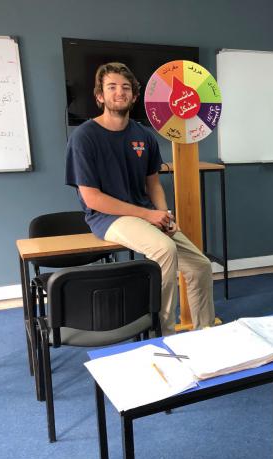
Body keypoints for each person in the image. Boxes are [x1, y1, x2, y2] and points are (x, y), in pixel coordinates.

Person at [65, 62, 215, 335]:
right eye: (111, 87)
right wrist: (148, 215)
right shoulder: (84, 137)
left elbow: (153, 183)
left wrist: (165, 215)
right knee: (164, 250)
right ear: (100, 96)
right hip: (108, 218)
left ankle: (205, 332)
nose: (119, 92)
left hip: (146, 214)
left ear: (135, 96)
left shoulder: (144, 136)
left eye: (125, 88)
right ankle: (164, 333)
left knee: (200, 265)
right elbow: (92, 198)